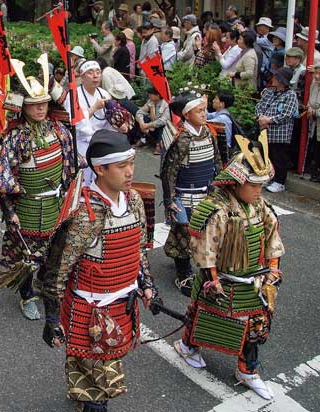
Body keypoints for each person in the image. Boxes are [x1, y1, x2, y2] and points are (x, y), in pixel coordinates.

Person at [42, 129, 155, 412]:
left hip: (122, 306)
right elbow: (59, 268)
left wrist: (148, 284)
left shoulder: (135, 201)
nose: (130, 172)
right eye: (122, 166)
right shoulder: (84, 213)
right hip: (90, 310)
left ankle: (84, 397)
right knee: (100, 386)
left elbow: (139, 249)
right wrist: (53, 317)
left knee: (99, 373)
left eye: (131, 163)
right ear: (100, 169)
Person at [175, 133, 283, 400]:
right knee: (204, 317)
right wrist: (212, 279)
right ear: (237, 182)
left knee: (256, 327)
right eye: (254, 185)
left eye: (262, 185)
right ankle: (188, 346)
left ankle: (248, 371)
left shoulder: (260, 206)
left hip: (252, 281)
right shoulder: (217, 209)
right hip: (220, 280)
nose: (259, 190)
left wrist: (273, 268)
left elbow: (272, 238)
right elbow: (205, 250)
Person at [0, 57, 76, 320]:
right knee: (27, 256)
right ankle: (26, 294)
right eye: (34, 105)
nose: (40, 109)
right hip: (27, 207)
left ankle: (48, 287)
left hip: (57, 204)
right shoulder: (16, 137)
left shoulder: (61, 131)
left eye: (44, 103)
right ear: (23, 107)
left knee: (55, 252)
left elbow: (71, 167)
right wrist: (9, 211)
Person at [161, 90, 222, 296]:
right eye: (200, 111)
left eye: (205, 110)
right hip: (185, 194)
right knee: (183, 233)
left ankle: (207, 269)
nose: (205, 114)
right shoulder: (181, 138)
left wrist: (220, 186)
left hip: (206, 193)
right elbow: (168, 172)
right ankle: (183, 273)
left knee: (207, 232)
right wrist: (170, 200)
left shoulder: (209, 133)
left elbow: (217, 163)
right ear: (187, 115)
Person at [255, 67, 298, 193]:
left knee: (279, 157)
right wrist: (260, 118)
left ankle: (279, 182)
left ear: (281, 80)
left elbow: (287, 114)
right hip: (264, 130)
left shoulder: (290, 95)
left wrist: (269, 120)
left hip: (280, 133)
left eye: (276, 77)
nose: (272, 79)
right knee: (265, 156)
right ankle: (267, 177)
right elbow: (259, 106)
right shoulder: (269, 91)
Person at [136, 86, 170, 152]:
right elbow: (139, 112)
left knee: (162, 125)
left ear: (158, 95)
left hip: (162, 125)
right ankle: (143, 140)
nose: (149, 96)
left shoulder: (166, 104)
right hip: (152, 122)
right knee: (142, 118)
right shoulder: (150, 102)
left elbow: (163, 121)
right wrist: (141, 123)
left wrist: (147, 125)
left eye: (151, 94)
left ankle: (159, 144)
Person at [306, 58, 320, 182]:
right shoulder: (314, 84)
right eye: (316, 73)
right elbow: (310, 100)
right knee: (315, 146)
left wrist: (315, 111)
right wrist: (309, 108)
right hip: (315, 122)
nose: (317, 76)